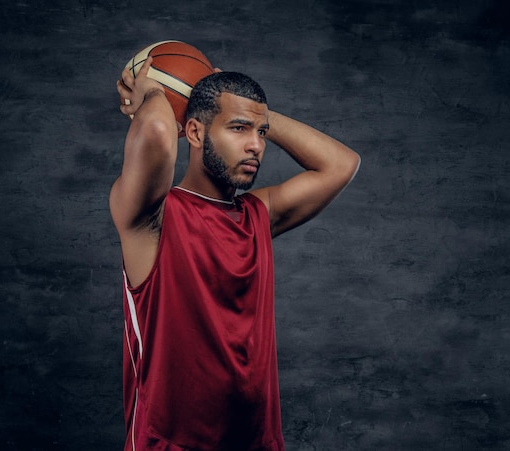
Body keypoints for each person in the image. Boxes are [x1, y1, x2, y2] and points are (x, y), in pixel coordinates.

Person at [111, 56, 360, 451]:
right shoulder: (151, 217)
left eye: (260, 133)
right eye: (239, 129)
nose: (256, 145)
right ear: (193, 131)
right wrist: (157, 92)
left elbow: (341, 164)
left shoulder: (257, 215)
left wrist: (249, 110)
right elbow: (158, 130)